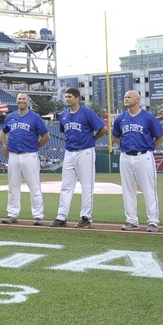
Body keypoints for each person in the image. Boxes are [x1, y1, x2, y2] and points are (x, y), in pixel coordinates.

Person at [52, 88, 107, 228]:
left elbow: (103, 128)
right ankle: (61, 217)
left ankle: (86, 217)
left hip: (85, 151)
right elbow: (64, 131)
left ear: (77, 98)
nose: (67, 99)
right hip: (69, 152)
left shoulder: (87, 112)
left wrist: (93, 139)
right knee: (66, 186)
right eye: (66, 96)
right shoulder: (64, 114)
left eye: (70, 96)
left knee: (86, 185)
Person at [112, 90, 163, 232]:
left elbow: (159, 137)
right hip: (125, 156)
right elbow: (116, 136)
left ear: (137, 100)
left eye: (129, 97)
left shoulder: (148, 117)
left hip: (143, 155)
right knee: (128, 190)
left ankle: (153, 221)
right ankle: (131, 221)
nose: (126, 99)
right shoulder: (120, 118)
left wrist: (150, 148)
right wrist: (123, 146)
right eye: (124, 97)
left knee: (149, 189)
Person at [0, 92, 49, 225]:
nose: (21, 101)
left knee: (34, 186)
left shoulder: (35, 117)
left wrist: (36, 147)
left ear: (28, 102)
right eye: (19, 99)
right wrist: (4, 145)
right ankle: (12, 214)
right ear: (16, 101)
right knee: (13, 186)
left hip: (29, 154)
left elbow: (46, 135)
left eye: (23, 99)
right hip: (14, 155)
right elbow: (3, 132)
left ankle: (38, 216)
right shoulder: (10, 117)